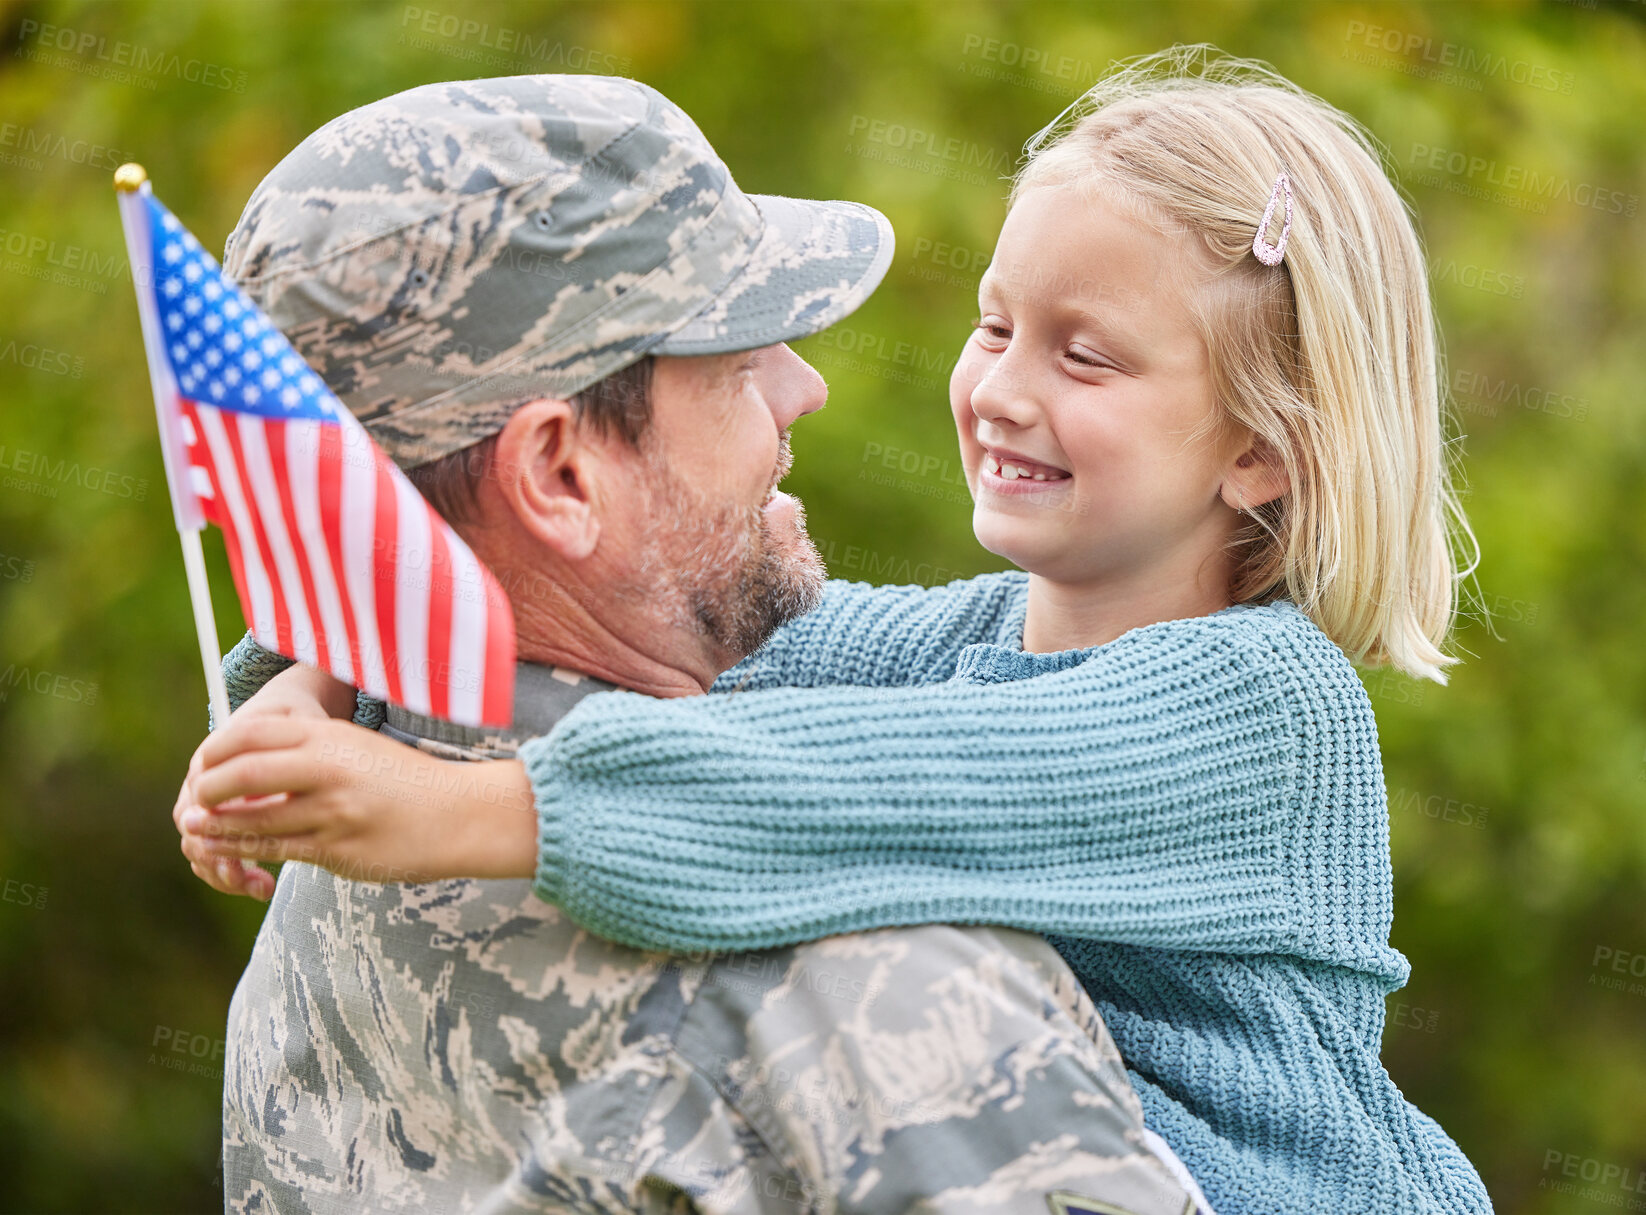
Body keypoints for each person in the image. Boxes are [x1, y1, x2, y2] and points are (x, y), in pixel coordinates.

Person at [181, 48, 1500, 1212]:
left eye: (1083, 357)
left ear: (1263, 455)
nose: (997, 388)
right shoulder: (970, 653)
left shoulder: (1257, 712)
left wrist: (452, 813)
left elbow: (852, 782)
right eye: (994, 327)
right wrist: (306, 682)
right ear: (555, 476)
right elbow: (763, 673)